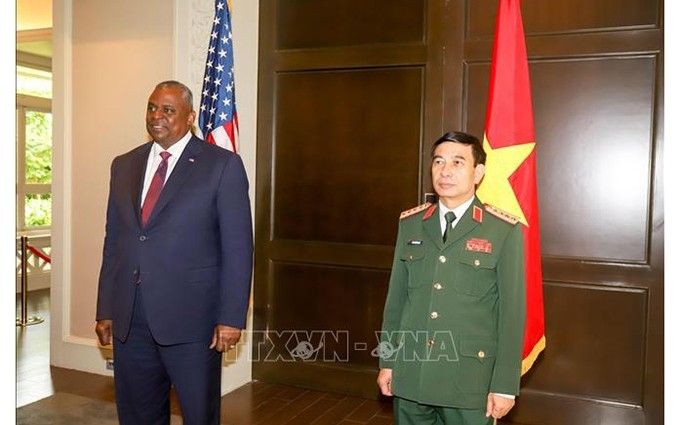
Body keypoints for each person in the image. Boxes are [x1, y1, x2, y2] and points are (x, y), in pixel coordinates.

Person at [95, 80, 253, 425]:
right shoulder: (123, 165)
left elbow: (238, 248)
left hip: (193, 322)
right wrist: (106, 308)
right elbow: (115, 243)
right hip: (130, 320)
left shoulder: (222, 165)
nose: (157, 116)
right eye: (152, 107)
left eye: (168, 109)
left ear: (190, 117)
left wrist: (231, 317)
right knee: (137, 415)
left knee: (199, 415)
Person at [377, 131, 526, 424]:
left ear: (478, 172)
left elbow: (511, 314)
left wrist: (504, 385)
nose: (445, 171)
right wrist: (388, 361)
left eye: (458, 162)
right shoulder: (411, 224)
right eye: (438, 162)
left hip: (469, 382)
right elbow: (396, 301)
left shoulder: (502, 230)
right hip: (411, 375)